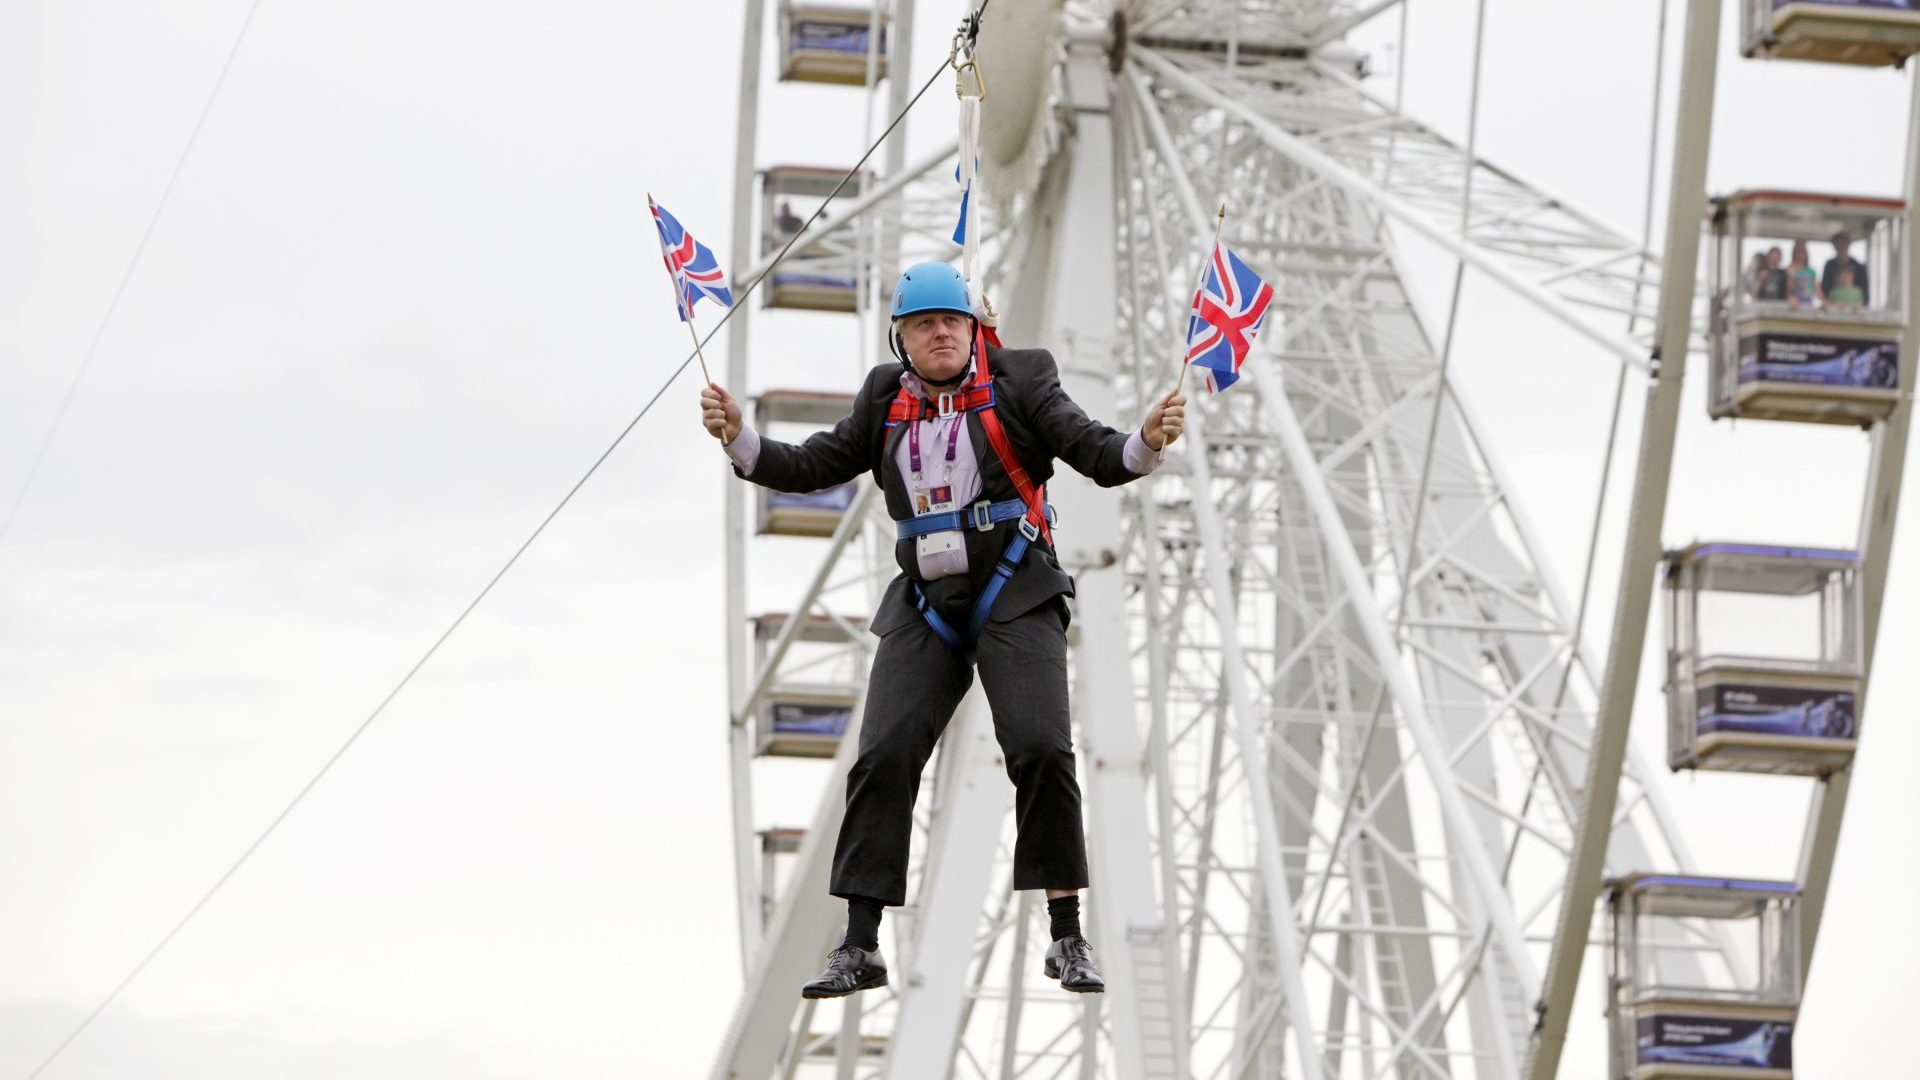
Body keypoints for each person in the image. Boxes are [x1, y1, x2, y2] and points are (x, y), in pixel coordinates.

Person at [699, 262, 1187, 999]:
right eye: (925, 325)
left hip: (1015, 591)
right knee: (884, 754)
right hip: (926, 602)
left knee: (1041, 747)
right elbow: (812, 464)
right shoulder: (883, 399)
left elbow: (1091, 449)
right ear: (901, 338)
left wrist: (1144, 442)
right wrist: (740, 439)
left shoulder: (1023, 378)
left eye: (953, 322)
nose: (941, 334)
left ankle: (1066, 933)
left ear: (974, 328)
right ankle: (860, 944)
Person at [1822, 231, 1870, 307]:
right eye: (1838, 243)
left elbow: (1865, 298)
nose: (1841, 246)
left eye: (1843, 243)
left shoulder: (1859, 267)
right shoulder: (1829, 265)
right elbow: (1825, 291)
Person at [1787, 240, 1822, 310]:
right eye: (1798, 251)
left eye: (1802, 252)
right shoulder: (1790, 269)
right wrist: (1791, 277)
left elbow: (1817, 289)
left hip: (1810, 300)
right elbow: (1789, 290)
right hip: (1795, 300)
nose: (1800, 254)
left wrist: (1823, 301)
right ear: (1794, 253)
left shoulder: (1811, 271)